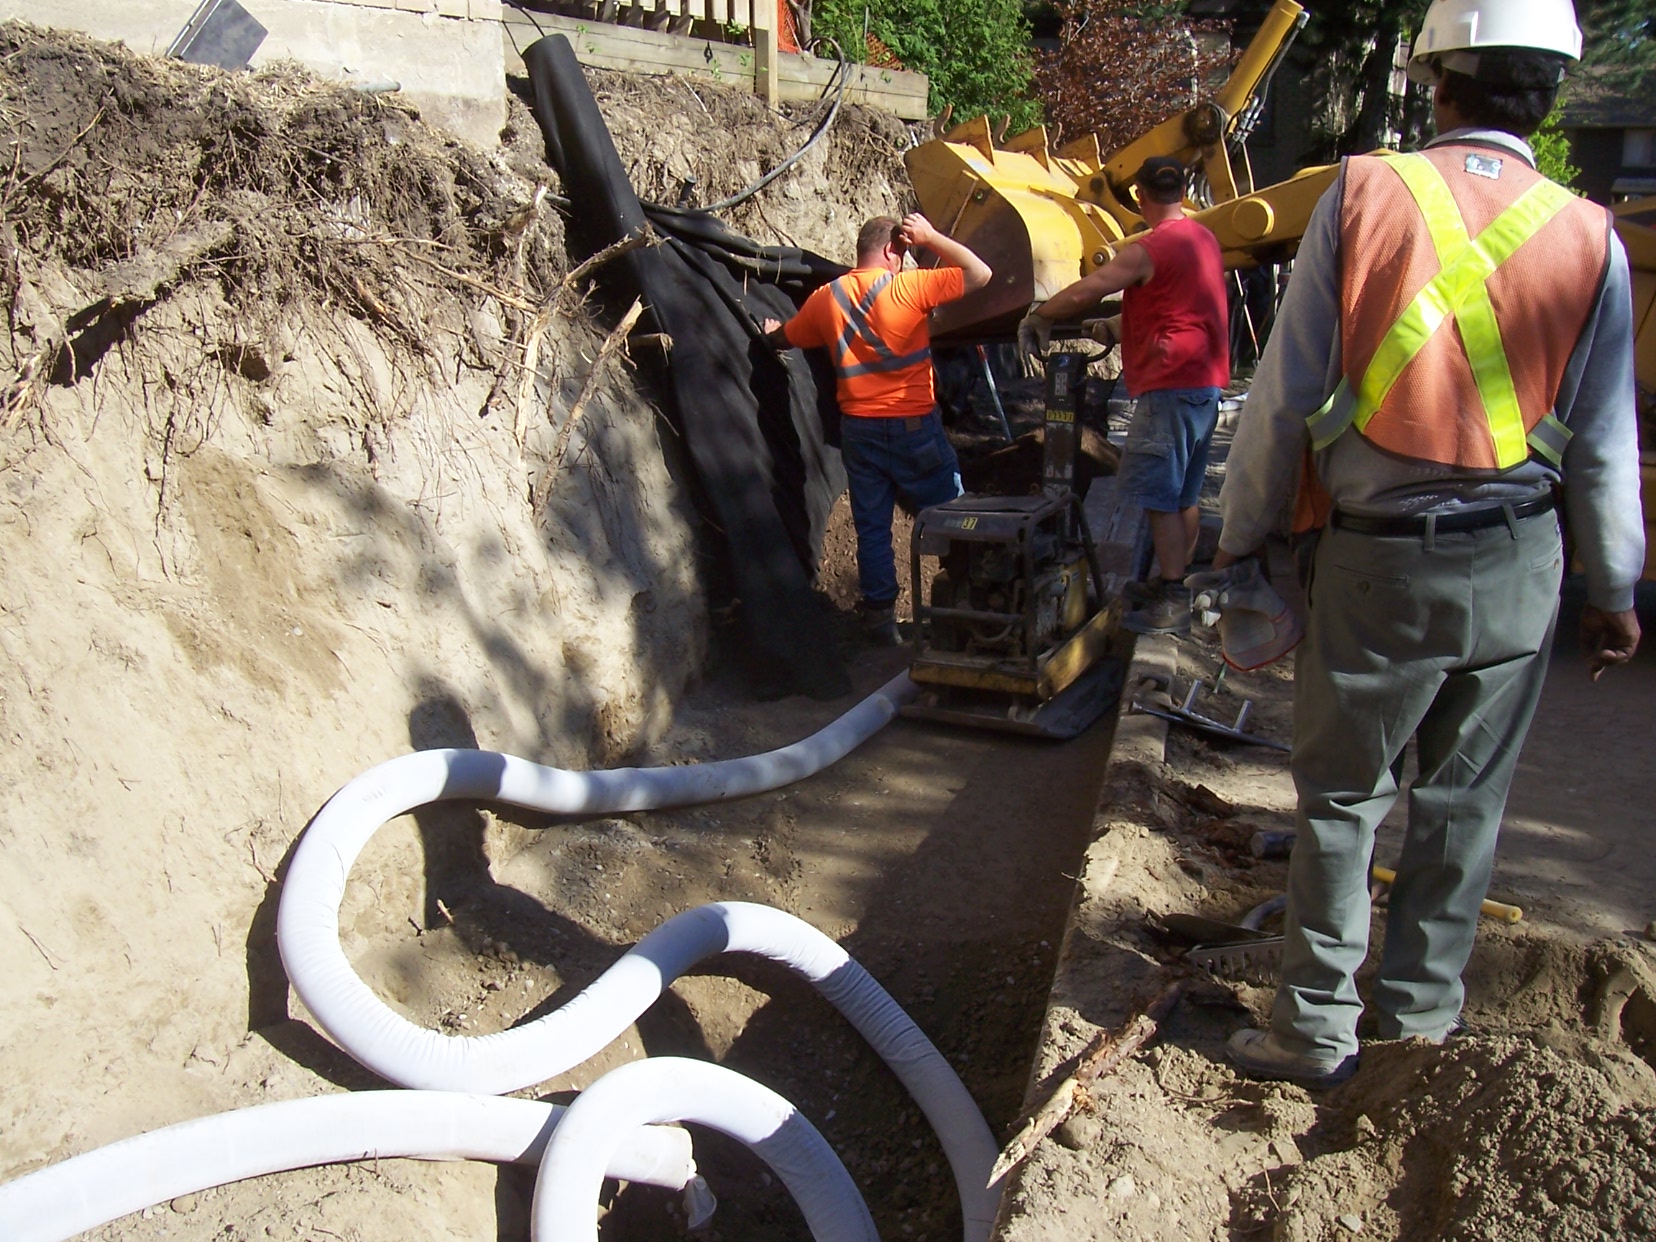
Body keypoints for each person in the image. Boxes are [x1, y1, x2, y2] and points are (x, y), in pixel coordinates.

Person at [1213, 0, 1643, 1088]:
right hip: (1521, 565)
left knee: (1344, 803)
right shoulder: (1594, 239)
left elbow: (1283, 395)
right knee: (1463, 809)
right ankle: (1415, 1037)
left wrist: (1242, 533)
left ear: (1435, 80)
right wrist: (1617, 586)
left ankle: (1314, 1031)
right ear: (1549, 96)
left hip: (1376, 561)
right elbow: (1601, 443)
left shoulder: (1366, 191)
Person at [1017, 155, 1231, 635]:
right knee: (1185, 494)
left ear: (1139, 195)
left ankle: (1171, 595)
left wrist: (1041, 316)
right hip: (1204, 384)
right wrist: (1118, 326)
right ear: (1182, 190)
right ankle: (1176, 583)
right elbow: (1182, 303)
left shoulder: (1148, 248)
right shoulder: (1204, 239)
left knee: (1158, 494)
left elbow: (1087, 289)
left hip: (1170, 386)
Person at [763, 213, 991, 645]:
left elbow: (785, 338)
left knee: (872, 528)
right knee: (955, 516)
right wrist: (932, 236)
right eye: (904, 254)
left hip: (859, 431)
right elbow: (980, 273)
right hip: (914, 429)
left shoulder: (826, 298)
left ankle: (880, 620)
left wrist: (772, 334)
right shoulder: (909, 287)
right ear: (893, 251)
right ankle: (973, 602)